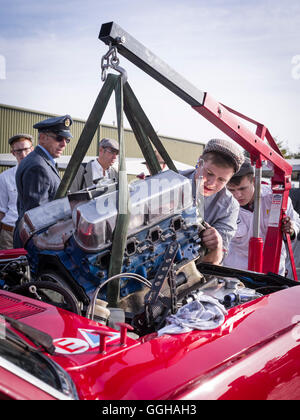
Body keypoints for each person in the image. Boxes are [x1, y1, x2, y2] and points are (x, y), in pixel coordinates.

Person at [223, 158, 300, 276]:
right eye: (231, 190)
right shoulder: (223, 205)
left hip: (272, 272)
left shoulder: (276, 198)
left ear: (254, 181)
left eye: (242, 188)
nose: (237, 195)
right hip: (236, 275)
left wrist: (291, 228)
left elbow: (295, 221)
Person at [182, 138, 245, 265]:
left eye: (221, 180)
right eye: (209, 173)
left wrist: (217, 245)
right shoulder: (170, 182)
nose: (211, 183)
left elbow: (216, 261)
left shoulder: (229, 207)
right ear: (199, 162)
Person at [14, 115, 73, 248]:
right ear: (42, 138)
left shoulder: (42, 161)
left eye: (66, 139)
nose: (64, 144)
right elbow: (38, 218)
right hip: (36, 245)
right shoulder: (38, 166)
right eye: (59, 138)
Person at [0, 134, 33, 249]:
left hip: (34, 233)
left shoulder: (40, 174)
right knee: (10, 266)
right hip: (9, 234)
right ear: (13, 153)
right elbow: (1, 209)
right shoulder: (4, 177)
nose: (23, 154)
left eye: (26, 149)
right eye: (18, 151)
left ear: (32, 149)